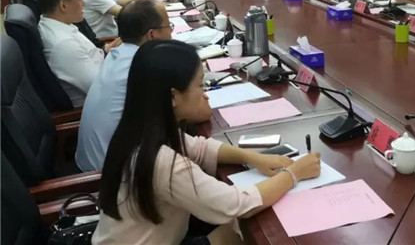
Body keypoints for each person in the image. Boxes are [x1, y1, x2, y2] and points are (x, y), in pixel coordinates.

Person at [94, 39, 321, 244]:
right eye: (200, 85)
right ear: (173, 96)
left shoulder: (140, 129)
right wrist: (294, 173)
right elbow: (237, 204)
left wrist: (253, 157)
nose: (205, 94)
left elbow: (201, 148)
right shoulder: (161, 161)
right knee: (241, 228)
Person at [76, 0, 173, 172]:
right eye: (169, 26)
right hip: (109, 177)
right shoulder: (142, 67)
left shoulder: (117, 54)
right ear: (152, 34)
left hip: (98, 163)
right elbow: (185, 112)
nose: (171, 33)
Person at [37, 0, 104, 107]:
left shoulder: (57, 24)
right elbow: (102, 90)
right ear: (63, 5)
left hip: (106, 72)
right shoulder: (64, 45)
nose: (84, 3)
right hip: (100, 106)